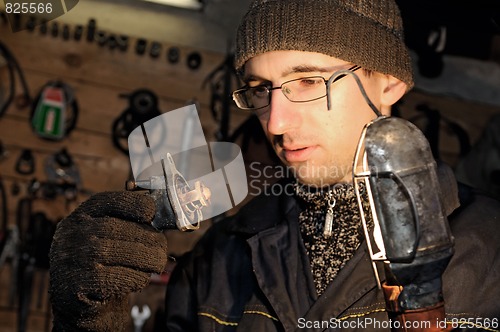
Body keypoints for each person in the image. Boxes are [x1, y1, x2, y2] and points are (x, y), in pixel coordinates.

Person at [49, 0, 500, 331]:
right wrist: (90, 318)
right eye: (262, 89)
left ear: (390, 83)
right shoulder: (218, 257)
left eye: (308, 81)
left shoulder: (491, 249)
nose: (277, 122)